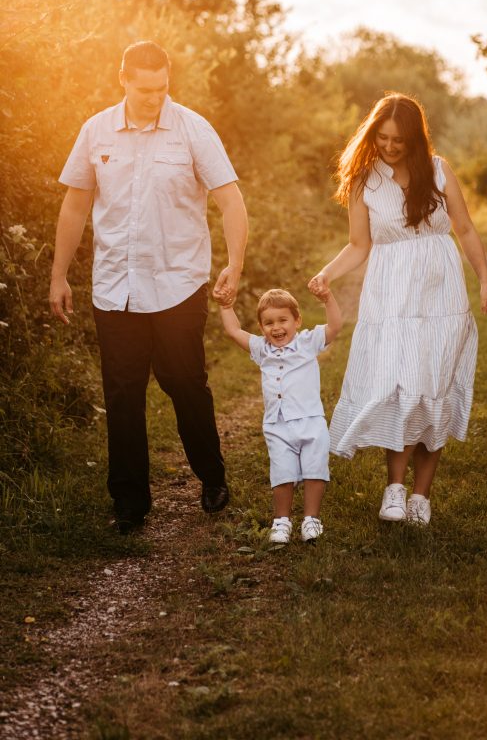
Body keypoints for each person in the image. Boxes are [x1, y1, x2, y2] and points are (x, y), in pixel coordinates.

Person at [49, 40, 248, 533]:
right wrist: (58, 275)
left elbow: (230, 200)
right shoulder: (96, 131)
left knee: (184, 381)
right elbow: (75, 206)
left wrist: (235, 263)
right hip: (115, 285)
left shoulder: (193, 130)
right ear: (123, 79)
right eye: (144, 90)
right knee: (121, 392)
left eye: (161, 89)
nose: (154, 98)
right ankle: (130, 503)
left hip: (178, 281)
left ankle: (211, 476)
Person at [308, 93, 487, 526]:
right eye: (383, 137)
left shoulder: (438, 170)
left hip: (441, 292)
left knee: (435, 385)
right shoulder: (364, 180)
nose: (390, 146)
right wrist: (327, 274)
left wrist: (485, 279)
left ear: (415, 138)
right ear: (373, 133)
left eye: (399, 140)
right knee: (400, 386)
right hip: (392, 294)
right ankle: (394, 488)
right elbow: (360, 245)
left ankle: (420, 497)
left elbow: (464, 228)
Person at [218, 286, 342, 543]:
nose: (276, 328)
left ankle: (311, 519)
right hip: (277, 424)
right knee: (282, 473)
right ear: (261, 327)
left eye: (282, 320)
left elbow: (335, 326)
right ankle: (282, 521)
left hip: (310, 421)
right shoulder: (262, 350)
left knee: (314, 470)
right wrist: (226, 305)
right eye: (268, 323)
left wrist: (328, 298)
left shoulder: (307, 343)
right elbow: (233, 331)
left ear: (297, 320)